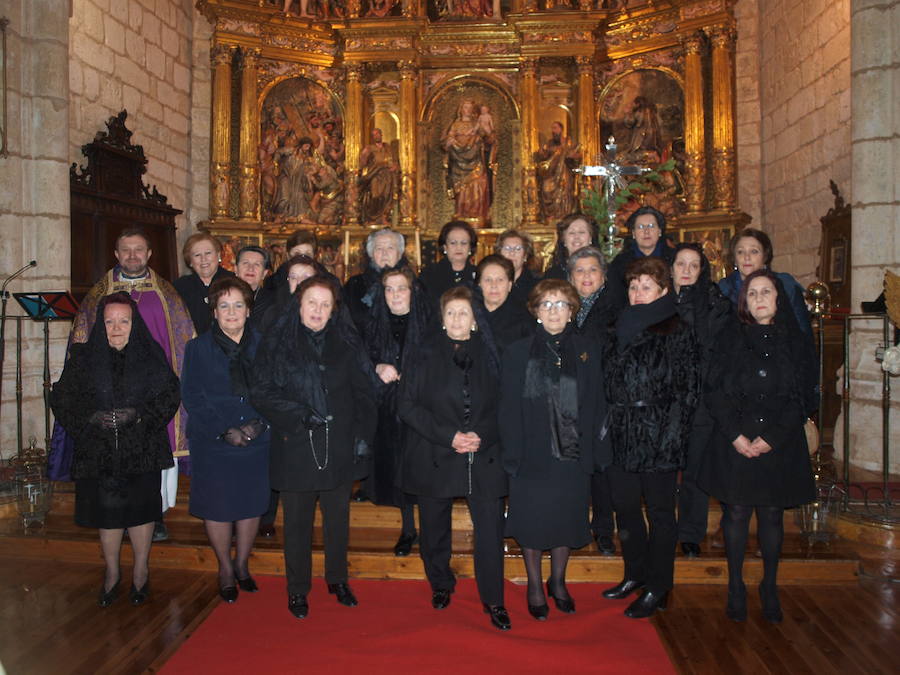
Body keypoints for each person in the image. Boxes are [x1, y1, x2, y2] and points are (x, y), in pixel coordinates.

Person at [52, 227, 194, 543]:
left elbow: (184, 347)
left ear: (149, 254)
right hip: (107, 394)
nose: (132, 256)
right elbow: (82, 345)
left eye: (139, 249)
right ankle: (112, 516)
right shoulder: (97, 296)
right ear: (116, 255)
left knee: (155, 456)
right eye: (126, 250)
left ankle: (155, 515)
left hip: (148, 397)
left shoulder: (168, 296)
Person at [250, 276, 376, 619]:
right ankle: (297, 590)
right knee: (297, 524)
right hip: (296, 444)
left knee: (338, 520)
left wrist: (361, 439)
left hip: (339, 445)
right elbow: (261, 391)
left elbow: (364, 393)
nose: (318, 310)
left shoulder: (347, 342)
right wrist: (299, 415)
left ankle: (338, 580)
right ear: (299, 305)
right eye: (312, 303)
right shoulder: (277, 342)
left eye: (325, 304)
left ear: (334, 310)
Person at [699, 270, 817, 623]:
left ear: (779, 299)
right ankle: (735, 584)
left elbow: (804, 394)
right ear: (744, 302)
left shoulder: (796, 339)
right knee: (735, 513)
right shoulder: (728, 337)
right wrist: (736, 435)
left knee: (771, 514)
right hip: (735, 437)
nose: (760, 298)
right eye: (753, 293)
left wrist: (772, 438)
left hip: (778, 439)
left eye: (767, 292)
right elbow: (713, 389)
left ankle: (769, 584)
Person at [50, 292, 180, 607]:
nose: (117, 328)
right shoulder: (83, 357)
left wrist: (138, 415)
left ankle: (140, 570)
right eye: (109, 321)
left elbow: (169, 396)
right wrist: (91, 417)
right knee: (107, 516)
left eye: (124, 321)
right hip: (99, 449)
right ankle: (111, 573)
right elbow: (62, 399)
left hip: (142, 446)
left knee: (140, 513)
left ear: (134, 324)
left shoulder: (152, 354)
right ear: (100, 325)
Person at [398, 286, 510, 631]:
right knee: (433, 529)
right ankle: (441, 584)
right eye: (451, 313)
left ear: (475, 319)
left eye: (464, 313)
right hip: (434, 450)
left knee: (490, 529)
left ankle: (494, 599)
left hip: (484, 453)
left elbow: (506, 404)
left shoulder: (493, 353)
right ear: (441, 318)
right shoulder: (421, 352)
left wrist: (483, 434)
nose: (457, 319)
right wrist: (449, 436)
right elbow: (406, 406)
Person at [500, 279, 610, 621]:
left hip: (572, 455)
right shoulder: (517, 351)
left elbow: (596, 404)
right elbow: (507, 407)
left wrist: (595, 452)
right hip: (530, 454)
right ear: (535, 311)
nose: (554, 311)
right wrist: (512, 455)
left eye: (561, 304)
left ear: (572, 311)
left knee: (566, 518)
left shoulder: (586, 349)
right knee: (532, 521)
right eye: (547, 304)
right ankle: (535, 585)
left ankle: (558, 582)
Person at [602, 257, 700, 619]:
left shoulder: (676, 327)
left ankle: (659, 586)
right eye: (633, 286)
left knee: (660, 513)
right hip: (621, 430)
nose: (638, 293)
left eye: (646, 286)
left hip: (661, 433)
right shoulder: (617, 325)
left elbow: (688, 390)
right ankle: (635, 574)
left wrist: (672, 437)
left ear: (663, 290)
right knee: (625, 508)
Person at [182, 278, 271, 603]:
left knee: (250, 505)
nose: (231, 312)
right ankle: (224, 568)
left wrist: (258, 425)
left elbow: (275, 391)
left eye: (237, 305)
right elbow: (192, 396)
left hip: (257, 438)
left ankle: (243, 564)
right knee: (218, 508)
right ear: (214, 312)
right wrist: (225, 429)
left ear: (248, 311)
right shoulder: (197, 348)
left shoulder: (266, 346)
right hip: (213, 441)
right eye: (224, 306)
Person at [362, 266, 431, 556]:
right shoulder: (373, 321)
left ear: (412, 291)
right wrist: (377, 366)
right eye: (389, 289)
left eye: (401, 288)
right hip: (387, 406)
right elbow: (360, 358)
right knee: (398, 466)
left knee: (423, 469)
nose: (395, 295)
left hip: (423, 405)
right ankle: (408, 528)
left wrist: (414, 377)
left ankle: (430, 532)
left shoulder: (429, 320)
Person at [670, 243, 732, 558]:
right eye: (681, 263)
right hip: (664, 403)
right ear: (671, 268)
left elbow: (720, 356)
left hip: (700, 402)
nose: (687, 270)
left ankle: (690, 532)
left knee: (694, 471)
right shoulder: (657, 299)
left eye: (694, 265)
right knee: (664, 473)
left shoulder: (715, 304)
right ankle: (665, 528)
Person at [565, 246, 620, 555]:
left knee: (601, 470)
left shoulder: (617, 308)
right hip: (569, 400)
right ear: (571, 277)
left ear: (603, 275)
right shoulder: (562, 307)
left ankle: (603, 530)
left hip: (603, 399)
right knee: (572, 468)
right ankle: (573, 527)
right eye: (580, 271)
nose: (586, 276)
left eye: (592, 270)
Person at [718, 227, 812, 338]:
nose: (746, 257)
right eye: (740, 252)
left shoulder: (785, 284)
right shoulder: (724, 289)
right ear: (734, 259)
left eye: (754, 251)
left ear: (765, 256)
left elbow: (802, 330)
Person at [344, 228, 408, 332]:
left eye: (390, 248)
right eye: (379, 248)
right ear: (371, 254)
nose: (384, 253)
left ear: (399, 254)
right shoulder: (354, 285)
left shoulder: (412, 285)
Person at [606, 206, 675, 303]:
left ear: (660, 231)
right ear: (633, 233)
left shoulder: (674, 259)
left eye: (651, 226)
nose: (646, 231)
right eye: (640, 227)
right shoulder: (620, 263)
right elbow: (614, 297)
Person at [174, 232, 234, 334]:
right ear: (190, 261)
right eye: (197, 255)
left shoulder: (234, 282)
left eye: (208, 253)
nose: (203, 259)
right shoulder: (179, 287)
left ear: (218, 255)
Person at [442, 100, 492, 224]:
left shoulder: (477, 123)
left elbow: (489, 138)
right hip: (459, 161)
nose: (468, 110)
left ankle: (477, 213)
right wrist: (452, 142)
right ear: (461, 109)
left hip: (476, 160)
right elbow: (447, 140)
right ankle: (462, 212)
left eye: (470, 108)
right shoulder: (455, 124)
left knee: (478, 183)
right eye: (465, 107)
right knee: (462, 187)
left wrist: (482, 135)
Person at [476, 254, 531, 351]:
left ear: (509, 285)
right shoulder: (469, 314)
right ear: (479, 284)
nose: (494, 285)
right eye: (488, 280)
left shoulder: (524, 319)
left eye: (500, 280)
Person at [419, 220, 477, 310]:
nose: (458, 247)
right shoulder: (429, 274)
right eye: (453, 243)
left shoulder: (479, 275)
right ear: (445, 247)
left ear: (470, 247)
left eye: (464, 243)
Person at [534, 121, 582, 222]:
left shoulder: (568, 142)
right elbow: (543, 156)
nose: (553, 131)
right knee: (546, 189)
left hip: (564, 172)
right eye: (552, 129)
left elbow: (577, 156)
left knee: (564, 193)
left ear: (561, 129)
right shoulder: (549, 143)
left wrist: (572, 156)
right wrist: (541, 153)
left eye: (555, 128)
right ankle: (551, 216)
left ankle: (563, 215)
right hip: (551, 174)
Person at [358, 128, 398, 225]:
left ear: (381, 134)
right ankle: (372, 218)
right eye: (374, 135)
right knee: (375, 195)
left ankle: (383, 217)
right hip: (375, 174)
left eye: (377, 134)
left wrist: (395, 166)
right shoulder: (370, 148)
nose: (376, 136)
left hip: (387, 175)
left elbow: (395, 160)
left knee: (386, 196)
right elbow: (362, 161)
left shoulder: (387, 147)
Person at [545, 213, 601, 280]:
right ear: (564, 240)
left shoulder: (604, 271)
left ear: (590, 238)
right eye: (571, 233)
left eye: (581, 232)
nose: (576, 237)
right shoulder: (552, 275)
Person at [495, 229, 541, 308]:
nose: (512, 253)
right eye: (507, 248)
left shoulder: (537, 283)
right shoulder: (490, 280)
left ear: (525, 255)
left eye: (518, 249)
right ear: (499, 254)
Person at [234, 246, 274, 329]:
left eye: (257, 264)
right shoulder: (223, 296)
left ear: (264, 273)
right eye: (245, 263)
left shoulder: (274, 302)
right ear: (236, 269)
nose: (250, 268)